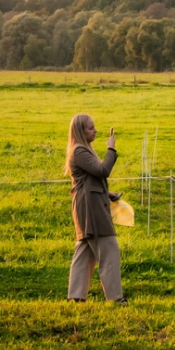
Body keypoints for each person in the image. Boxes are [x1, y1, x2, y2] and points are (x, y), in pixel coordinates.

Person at [66, 114, 124, 304]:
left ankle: (76, 296)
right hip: (90, 207)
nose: (95, 130)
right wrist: (112, 149)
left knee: (85, 250)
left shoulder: (82, 149)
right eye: (91, 128)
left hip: (88, 203)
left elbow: (90, 180)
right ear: (80, 131)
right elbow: (102, 171)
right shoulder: (79, 151)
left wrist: (106, 193)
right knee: (109, 248)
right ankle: (115, 298)